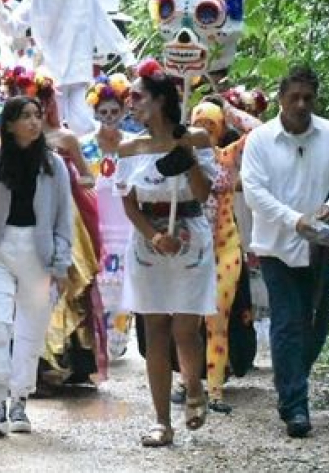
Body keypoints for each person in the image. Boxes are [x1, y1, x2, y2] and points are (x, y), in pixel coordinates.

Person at [241, 65, 329, 438]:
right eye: (294, 97)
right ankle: (296, 406)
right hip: (277, 247)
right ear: (280, 98)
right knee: (288, 321)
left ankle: (289, 376)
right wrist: (295, 221)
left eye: (308, 97)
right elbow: (255, 193)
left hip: (320, 247)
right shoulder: (260, 140)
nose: (301, 104)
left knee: (319, 322)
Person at [114, 58, 216, 447]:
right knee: (154, 328)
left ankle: (193, 387)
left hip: (191, 236)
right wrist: (153, 236)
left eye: (138, 96)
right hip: (147, 241)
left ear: (160, 100)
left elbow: (205, 194)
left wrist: (186, 160)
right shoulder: (129, 148)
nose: (131, 103)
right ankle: (161, 421)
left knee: (184, 328)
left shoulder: (195, 139)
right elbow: (128, 203)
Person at [0, 96, 73, 436]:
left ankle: (20, 399)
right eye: (25, 116)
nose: (34, 122)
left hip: (40, 252)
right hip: (1, 249)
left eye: (37, 115)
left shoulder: (54, 165)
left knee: (31, 332)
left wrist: (61, 264)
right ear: (8, 124)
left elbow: (65, 218)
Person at [0, 0, 136, 136]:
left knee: (85, 127)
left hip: (79, 73)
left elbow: (106, 27)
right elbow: (12, 27)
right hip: (50, 77)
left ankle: (93, 164)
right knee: (48, 130)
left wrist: (129, 60)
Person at [31, 70, 108, 388]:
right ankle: (37, 363)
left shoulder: (66, 138)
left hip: (68, 215)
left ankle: (69, 358)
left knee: (70, 281)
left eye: (40, 101)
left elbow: (88, 176)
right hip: (31, 216)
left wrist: (72, 178)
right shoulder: (13, 141)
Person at [186, 99, 262, 413]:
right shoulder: (181, 159)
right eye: (198, 126)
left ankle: (214, 391)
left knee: (217, 320)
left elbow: (261, 131)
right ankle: (188, 383)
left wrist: (230, 108)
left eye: (211, 126)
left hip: (226, 247)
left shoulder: (229, 157)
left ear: (219, 131)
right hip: (191, 248)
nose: (204, 132)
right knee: (187, 322)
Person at [80, 73, 135, 361]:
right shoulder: (84, 145)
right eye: (104, 112)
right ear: (95, 113)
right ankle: (98, 342)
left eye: (115, 111)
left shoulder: (135, 144)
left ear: (125, 111)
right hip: (97, 228)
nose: (110, 117)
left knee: (125, 286)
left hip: (128, 227)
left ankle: (118, 339)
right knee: (100, 288)